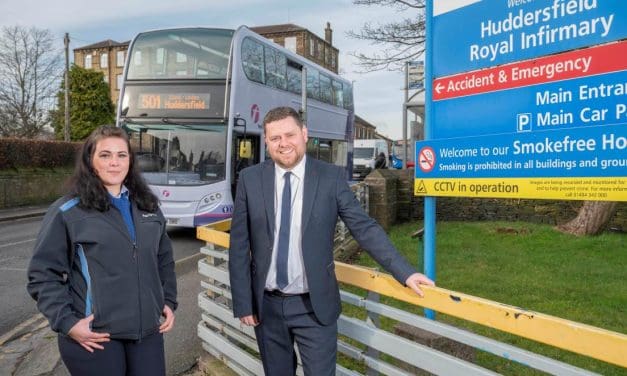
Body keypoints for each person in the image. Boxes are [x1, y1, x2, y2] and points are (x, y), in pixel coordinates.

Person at [228, 107, 434, 376]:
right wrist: (244, 302)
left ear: (304, 134)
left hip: (314, 306)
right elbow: (240, 245)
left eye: (289, 134)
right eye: (275, 138)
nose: (283, 143)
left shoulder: (330, 177)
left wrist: (404, 272)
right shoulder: (250, 179)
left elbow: (364, 228)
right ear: (266, 142)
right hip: (266, 308)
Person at [27, 125, 177, 376]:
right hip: (95, 336)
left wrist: (168, 300)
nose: (114, 163)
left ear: (130, 160)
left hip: (147, 334)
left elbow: (163, 259)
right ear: (90, 160)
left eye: (122, 155)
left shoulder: (147, 205)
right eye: (105, 155)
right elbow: (43, 274)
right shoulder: (68, 211)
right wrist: (68, 323)